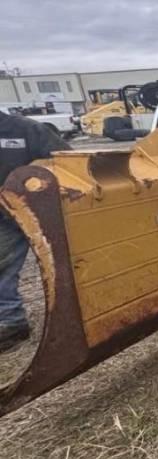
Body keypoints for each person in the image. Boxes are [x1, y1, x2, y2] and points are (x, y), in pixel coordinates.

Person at [0, 110, 69, 352]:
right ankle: (10, 320)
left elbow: (66, 160)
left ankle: (10, 319)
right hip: (3, 214)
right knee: (2, 265)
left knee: (68, 263)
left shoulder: (24, 130)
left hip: (35, 211)